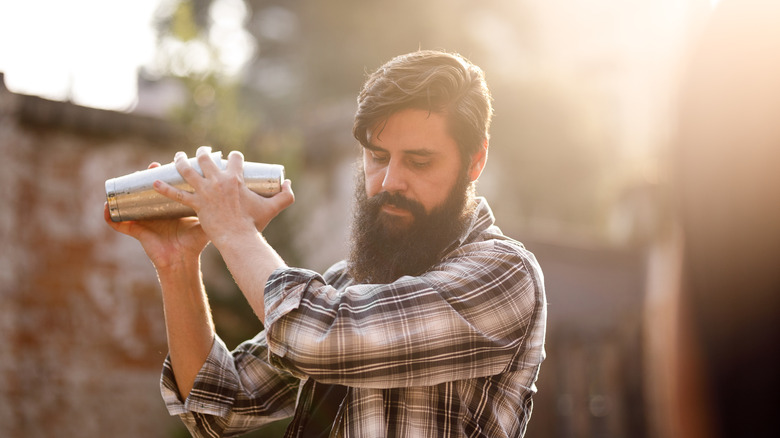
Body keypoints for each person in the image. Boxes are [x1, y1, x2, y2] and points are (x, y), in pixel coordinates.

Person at [104, 50, 547, 438]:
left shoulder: (504, 275)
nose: (390, 182)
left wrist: (236, 232)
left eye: (419, 161)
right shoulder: (345, 282)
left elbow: (319, 338)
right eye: (377, 157)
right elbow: (218, 406)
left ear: (475, 161)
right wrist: (178, 264)